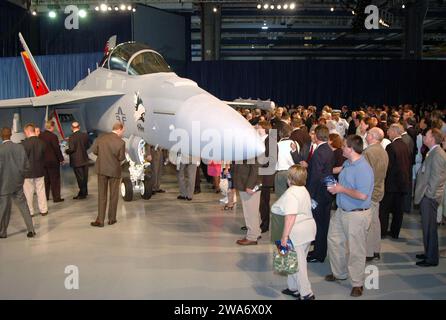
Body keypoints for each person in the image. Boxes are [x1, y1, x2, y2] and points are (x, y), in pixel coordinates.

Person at [325, 135, 374, 298]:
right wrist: (323, 170)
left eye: (344, 146)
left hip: (356, 215)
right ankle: (339, 273)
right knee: (333, 240)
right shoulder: (348, 162)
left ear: (351, 149)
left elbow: (362, 195)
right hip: (341, 211)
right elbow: (340, 170)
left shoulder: (364, 169)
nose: (342, 148)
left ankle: (357, 283)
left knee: (356, 249)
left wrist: (340, 189)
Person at [272, 165, 316, 300]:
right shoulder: (303, 190)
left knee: (298, 264)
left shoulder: (291, 193)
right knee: (295, 259)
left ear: (289, 178)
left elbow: (290, 216)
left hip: (297, 230)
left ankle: (307, 293)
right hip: (309, 228)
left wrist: (285, 236)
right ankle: (294, 288)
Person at [300, 125, 334, 263]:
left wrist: (310, 195)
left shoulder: (320, 151)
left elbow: (316, 176)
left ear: (317, 136)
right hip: (325, 192)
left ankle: (318, 254)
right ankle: (319, 251)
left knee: (319, 225)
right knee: (322, 224)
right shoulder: (328, 150)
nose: (312, 135)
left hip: (318, 193)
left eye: (313, 133)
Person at [414, 128, 446, 267]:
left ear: (432, 138)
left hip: (430, 197)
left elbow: (437, 177)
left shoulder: (438, 153)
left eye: (426, 135)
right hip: (427, 195)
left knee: (430, 228)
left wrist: (429, 195)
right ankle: (428, 253)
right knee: (427, 227)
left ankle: (432, 258)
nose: (424, 137)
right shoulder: (433, 151)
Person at [0, 127, 36, 238]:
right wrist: (21, 177)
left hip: (3, 185)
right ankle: (31, 230)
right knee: (24, 206)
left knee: (3, 209)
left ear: (1, 136)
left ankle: (2, 232)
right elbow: (26, 166)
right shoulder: (19, 147)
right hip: (18, 183)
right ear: (11, 134)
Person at [90, 122, 126, 227]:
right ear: (119, 129)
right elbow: (121, 158)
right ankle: (112, 219)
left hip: (101, 169)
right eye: (123, 131)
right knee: (114, 196)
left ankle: (100, 220)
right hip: (114, 171)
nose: (123, 133)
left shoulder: (101, 139)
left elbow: (95, 151)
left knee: (102, 195)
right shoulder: (121, 143)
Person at [380, 123, 411, 239]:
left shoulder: (391, 147)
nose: (388, 133)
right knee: (398, 210)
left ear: (394, 131)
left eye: (389, 131)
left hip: (391, 183)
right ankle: (395, 232)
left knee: (384, 209)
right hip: (402, 182)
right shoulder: (405, 145)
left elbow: (388, 166)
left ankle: (382, 231)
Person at [363, 127, 389, 261]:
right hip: (379, 189)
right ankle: (376, 249)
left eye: (367, 134)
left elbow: (365, 175)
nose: (366, 135)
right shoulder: (383, 151)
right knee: (375, 221)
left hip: (370, 191)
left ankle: (369, 252)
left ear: (372, 136)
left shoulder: (368, 152)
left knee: (368, 222)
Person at [22, 123, 48, 217]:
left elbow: (23, 159)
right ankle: (44, 210)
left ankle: (30, 211)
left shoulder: (24, 144)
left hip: (27, 172)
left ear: (28, 131)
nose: (25, 134)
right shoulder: (42, 142)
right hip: (40, 170)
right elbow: (44, 157)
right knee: (41, 191)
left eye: (25, 132)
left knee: (28, 193)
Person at [233, 160, 261, 245]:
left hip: (249, 184)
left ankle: (252, 237)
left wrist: (250, 185)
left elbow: (256, 167)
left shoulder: (250, 147)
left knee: (250, 212)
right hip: (245, 183)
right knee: (253, 211)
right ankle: (256, 232)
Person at [39, 120, 64, 202]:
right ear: (52, 127)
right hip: (53, 162)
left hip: (43, 162)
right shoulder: (53, 136)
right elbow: (56, 149)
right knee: (55, 180)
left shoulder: (40, 136)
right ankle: (56, 198)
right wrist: (61, 159)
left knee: (46, 180)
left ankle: (45, 197)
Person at [65, 122, 90, 200]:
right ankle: (85, 192)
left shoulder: (71, 137)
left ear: (72, 128)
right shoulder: (85, 135)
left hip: (76, 161)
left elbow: (72, 149)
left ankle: (82, 194)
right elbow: (88, 146)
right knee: (85, 177)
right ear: (79, 127)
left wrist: (66, 151)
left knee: (80, 178)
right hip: (85, 159)